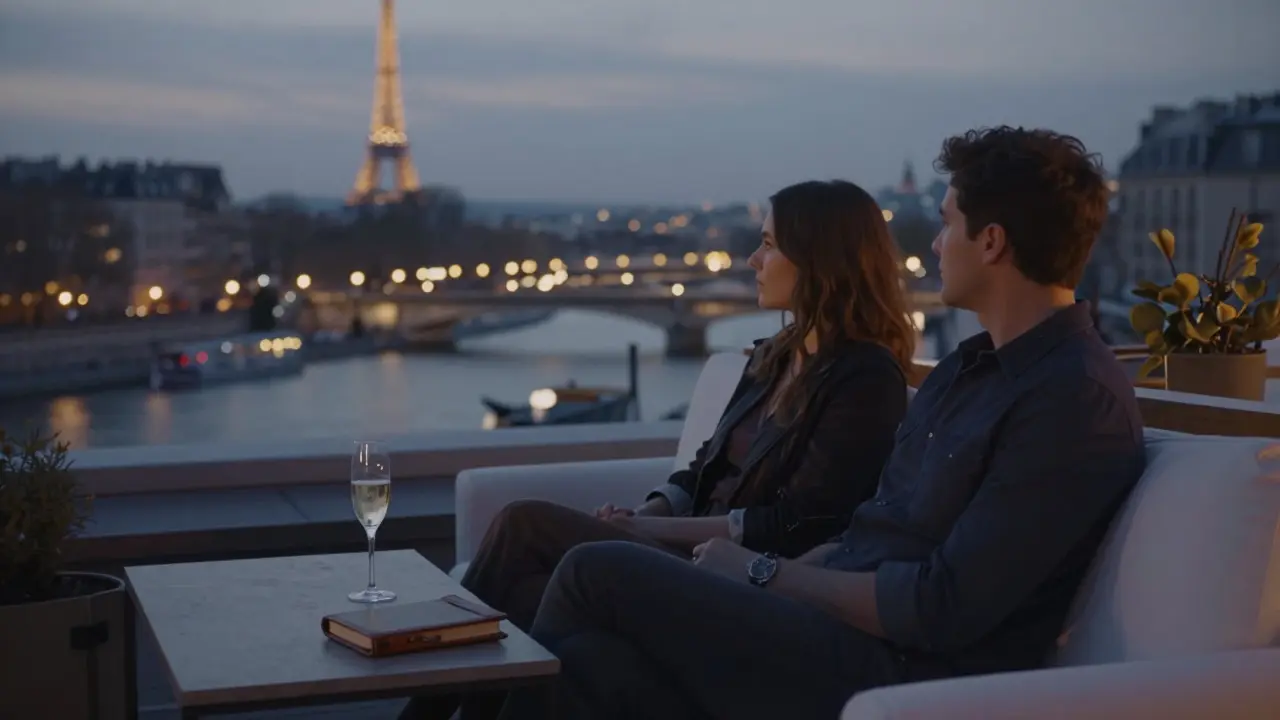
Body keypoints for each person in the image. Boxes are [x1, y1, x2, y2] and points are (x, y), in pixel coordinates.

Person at [494, 127, 1149, 720]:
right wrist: (762, 578)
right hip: (834, 627)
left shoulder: (1071, 400)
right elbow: (866, 531)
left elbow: (940, 607)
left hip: (895, 670)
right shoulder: (968, 371)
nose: (934, 244)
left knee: (594, 571)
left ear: (992, 241)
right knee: (592, 661)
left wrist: (763, 576)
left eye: (947, 223)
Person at [400, 179, 919, 720]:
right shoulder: (775, 357)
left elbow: (798, 524)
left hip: (738, 576)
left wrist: (651, 531)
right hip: (683, 551)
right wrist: (648, 512)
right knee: (526, 595)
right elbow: (700, 469)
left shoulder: (865, 380)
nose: (752, 259)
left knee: (524, 523)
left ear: (818, 259)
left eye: (768, 244)